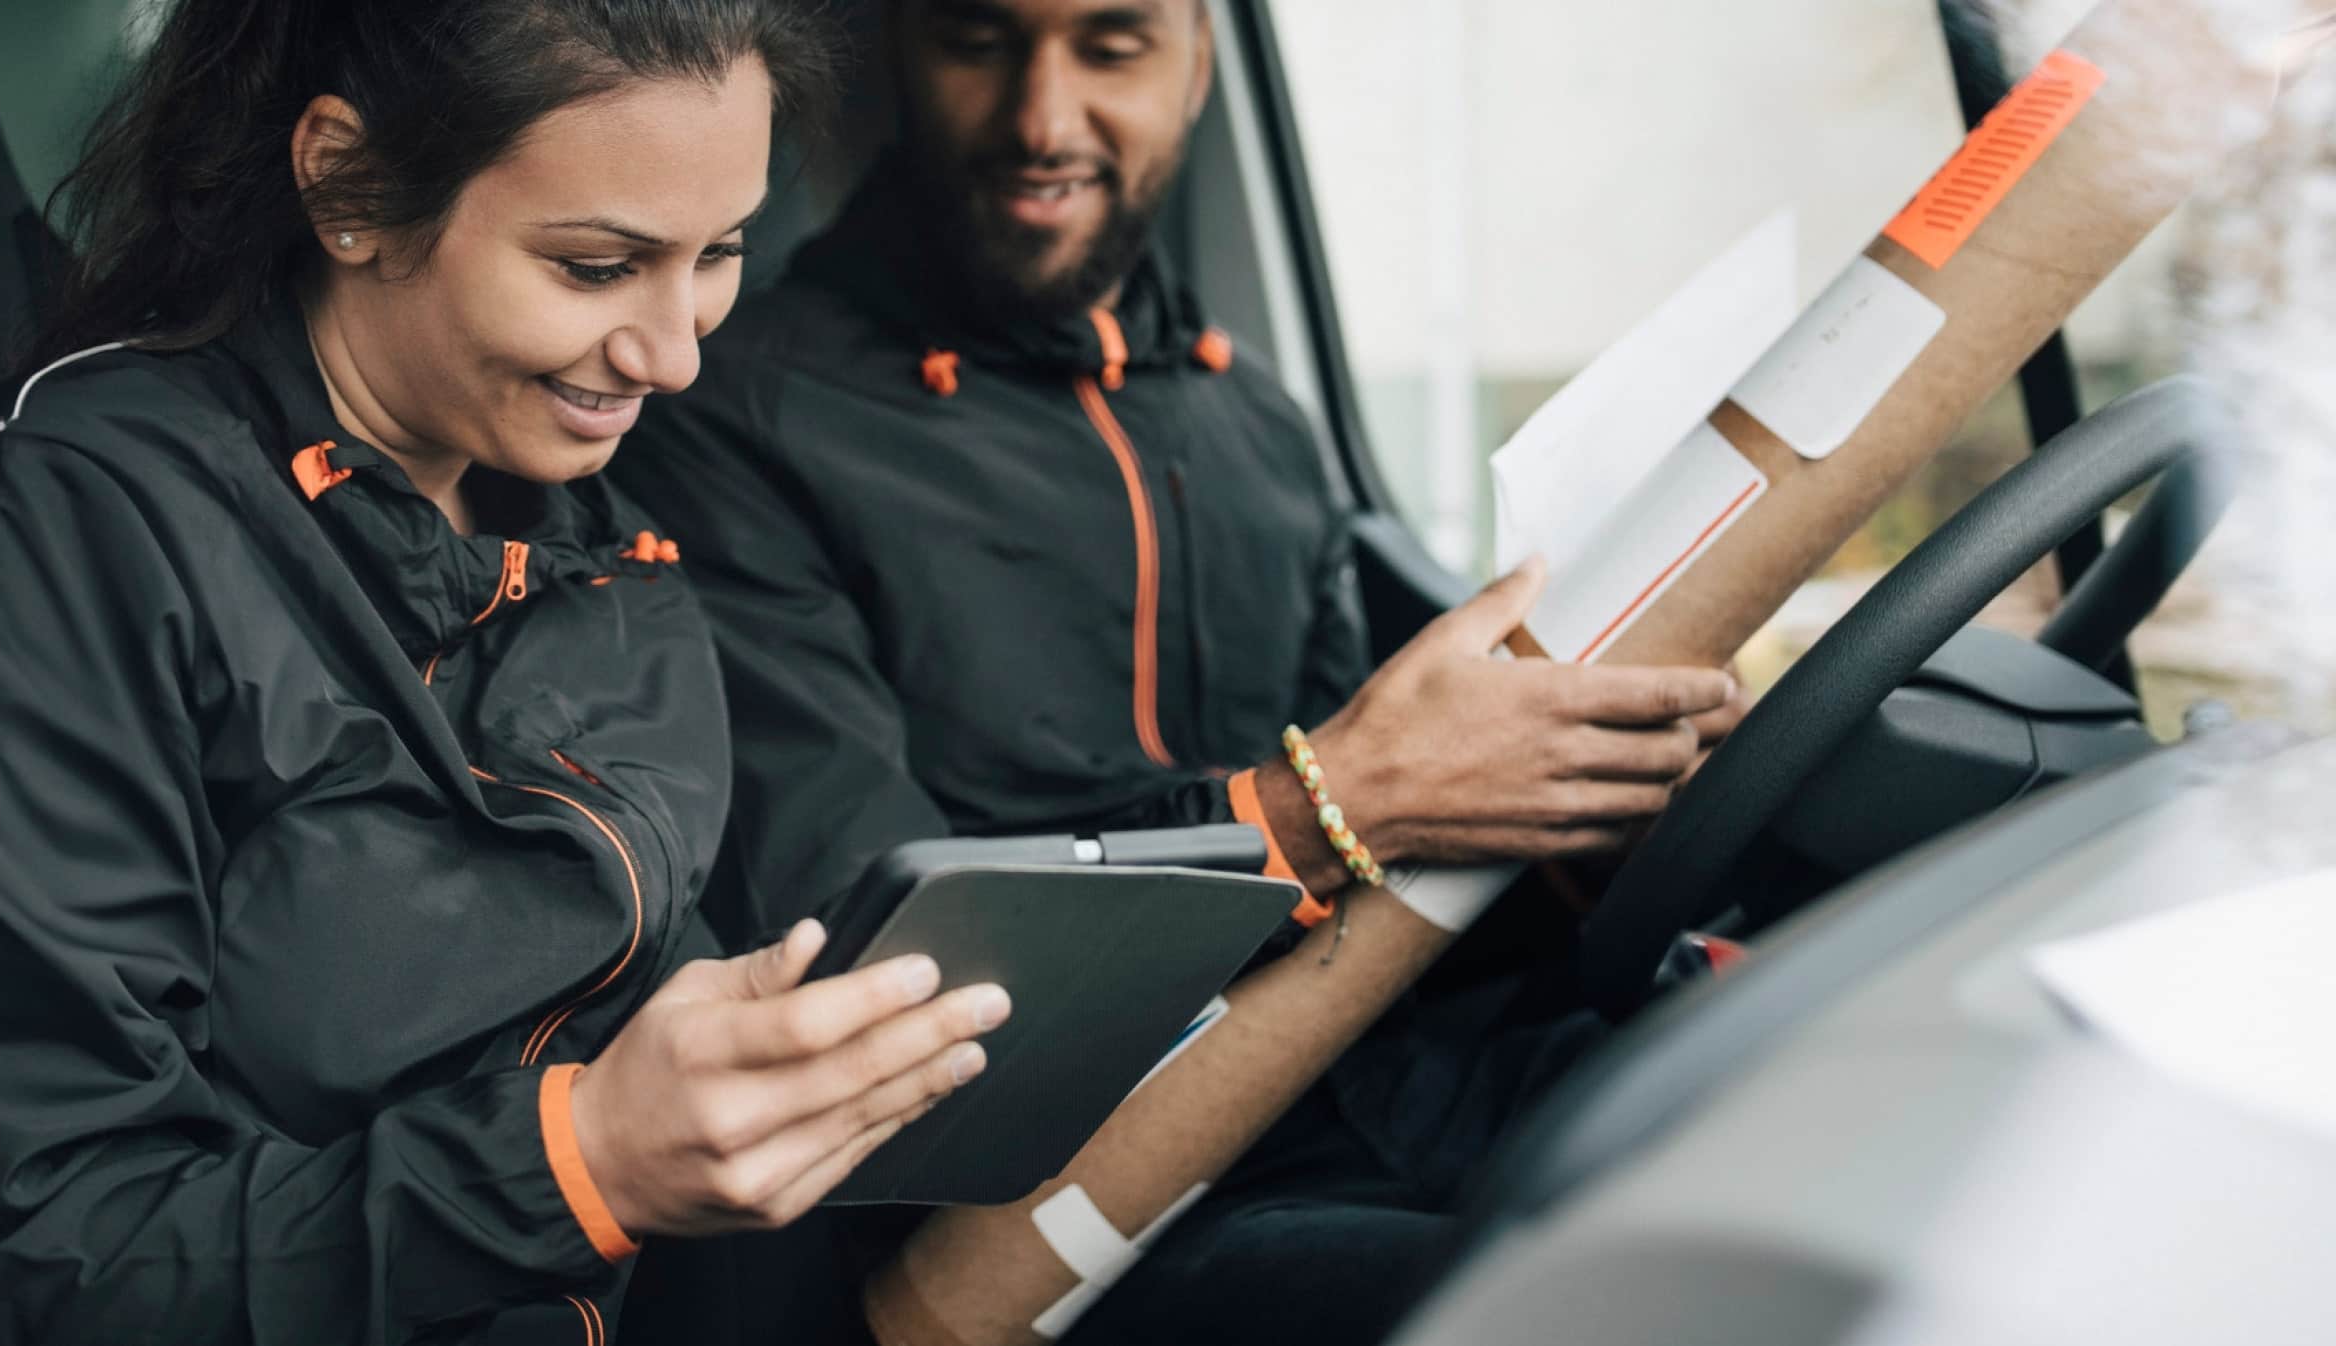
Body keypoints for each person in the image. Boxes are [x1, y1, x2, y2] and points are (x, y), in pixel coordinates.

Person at [0, 4, 1020, 1343]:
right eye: (595, 266)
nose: (674, 352)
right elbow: (19, 1264)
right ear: (348, 184)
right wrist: (581, 1162)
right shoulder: (81, 518)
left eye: (720, 253)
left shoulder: (606, 535)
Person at [608, 0, 1742, 1338]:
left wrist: (1580, 823)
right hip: (1073, 1206)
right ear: (897, 60)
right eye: (980, 41)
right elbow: (882, 962)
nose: (1043, 118)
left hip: (1400, 1078)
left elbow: (1415, 860)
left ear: (1199, 61)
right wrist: (1326, 806)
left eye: (1112, 43)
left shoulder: (1257, 419)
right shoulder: (729, 419)